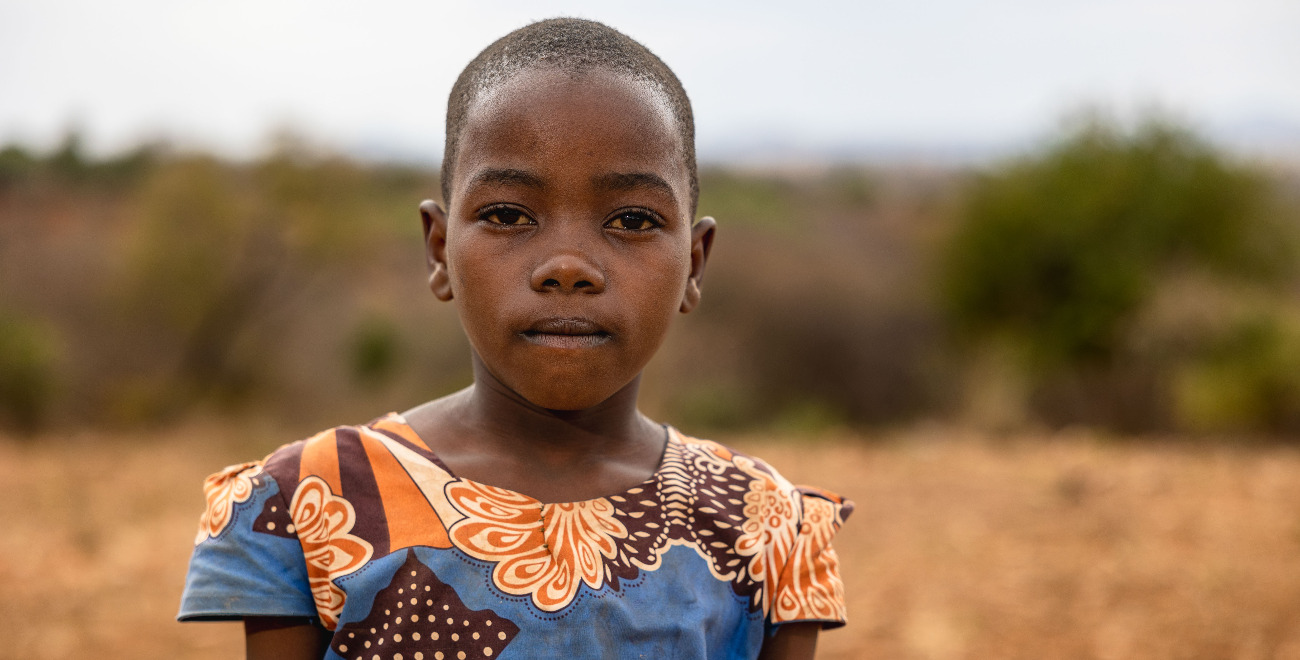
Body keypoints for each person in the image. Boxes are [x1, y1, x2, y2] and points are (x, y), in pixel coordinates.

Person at [178, 17, 852, 660]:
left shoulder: (762, 524)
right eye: (507, 214)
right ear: (440, 251)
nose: (568, 265)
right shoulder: (311, 499)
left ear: (694, 265)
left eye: (633, 220)